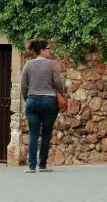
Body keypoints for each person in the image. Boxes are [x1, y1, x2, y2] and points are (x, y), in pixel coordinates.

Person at [21, 39, 66, 173]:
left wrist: (27, 98)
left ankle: (31, 166)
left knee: (33, 134)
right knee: (46, 133)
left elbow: (23, 85)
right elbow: (58, 83)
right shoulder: (53, 64)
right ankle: (42, 165)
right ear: (41, 50)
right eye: (48, 49)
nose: (50, 51)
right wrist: (61, 94)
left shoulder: (28, 65)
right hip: (49, 101)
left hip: (32, 101)